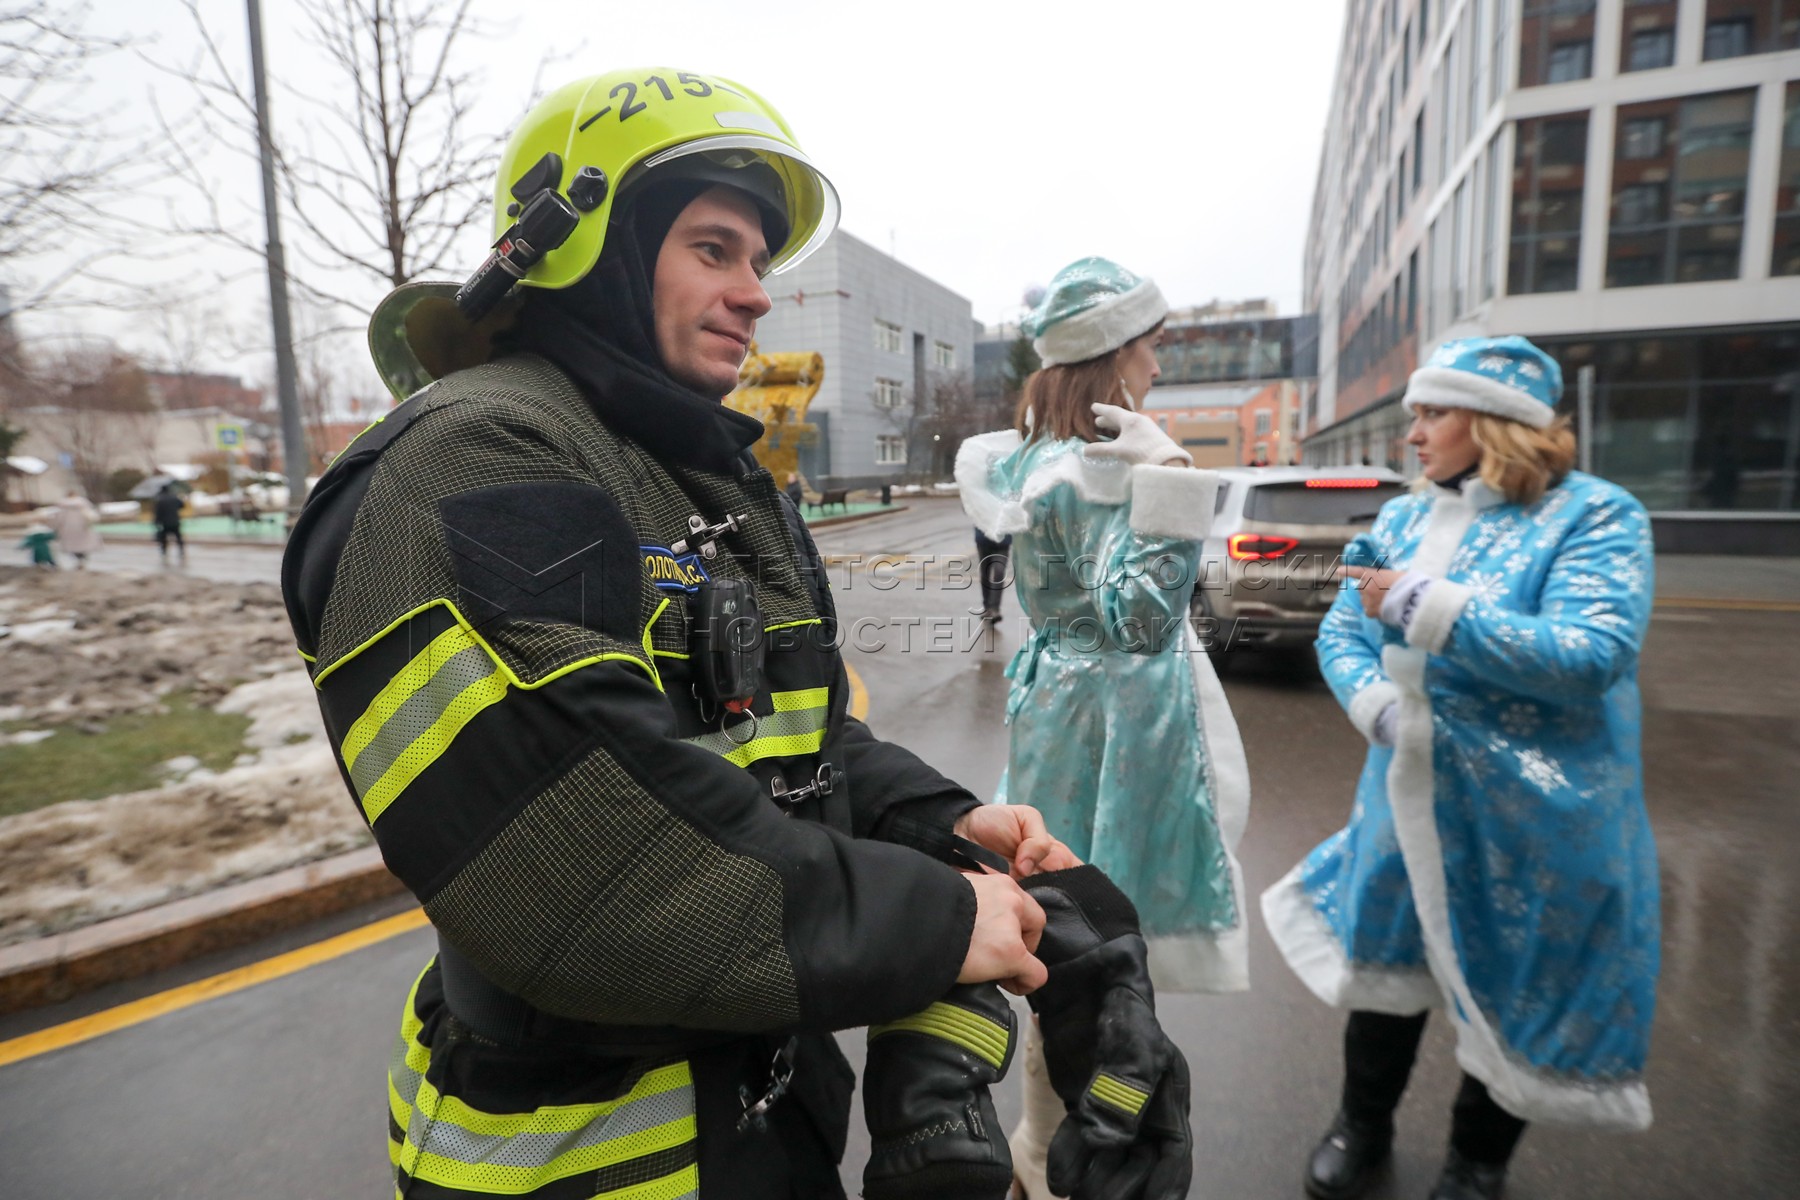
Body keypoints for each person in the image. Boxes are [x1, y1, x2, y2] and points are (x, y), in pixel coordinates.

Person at [282, 70, 1190, 1200]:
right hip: (576, 1160)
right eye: (714, 249)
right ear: (588, 249)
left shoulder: (708, 479)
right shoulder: (472, 462)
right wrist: (944, 917)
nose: (757, 295)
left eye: (758, 261)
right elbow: (598, 854)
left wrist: (943, 823)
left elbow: (791, 745)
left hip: (766, 1127)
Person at [1261, 336, 1660, 1200]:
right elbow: (1341, 630)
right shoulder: (1403, 519)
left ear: (1496, 422)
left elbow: (1592, 654)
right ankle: (1361, 1124)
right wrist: (1375, 704)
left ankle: (1477, 1166)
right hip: (1406, 792)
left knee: (1521, 984)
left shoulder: (1597, 515)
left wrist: (1419, 602)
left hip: (1540, 814)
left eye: (1432, 414)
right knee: (1385, 966)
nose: (1412, 434)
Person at [957, 257, 1252, 1198]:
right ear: (1113, 357)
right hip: (1117, 729)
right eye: (1152, 347)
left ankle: (1044, 1143)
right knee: (1101, 948)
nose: (1159, 367)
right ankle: (1061, 1155)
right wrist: (1169, 477)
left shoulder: (1031, 461)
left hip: (1061, 710)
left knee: (1066, 934)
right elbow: (1141, 621)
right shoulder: (1101, 470)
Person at [48, 488, 102, 569]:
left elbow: (58, 519)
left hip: (67, 529)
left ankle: (78, 559)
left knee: (72, 546)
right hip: (82, 528)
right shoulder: (83, 504)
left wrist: (55, 527)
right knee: (83, 545)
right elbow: (91, 516)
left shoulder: (62, 506)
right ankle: (82, 559)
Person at [973, 527, 1011, 623]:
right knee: (985, 573)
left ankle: (994, 608)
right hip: (983, 538)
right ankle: (987, 607)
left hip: (1002, 540)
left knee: (999, 572)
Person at [152, 482, 185, 563]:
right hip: (175, 521)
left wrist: (156, 522)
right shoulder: (174, 497)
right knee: (178, 537)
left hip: (165, 523)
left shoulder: (160, 499)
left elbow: (158, 512)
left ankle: (164, 552)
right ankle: (181, 550)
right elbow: (182, 505)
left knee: (163, 538)